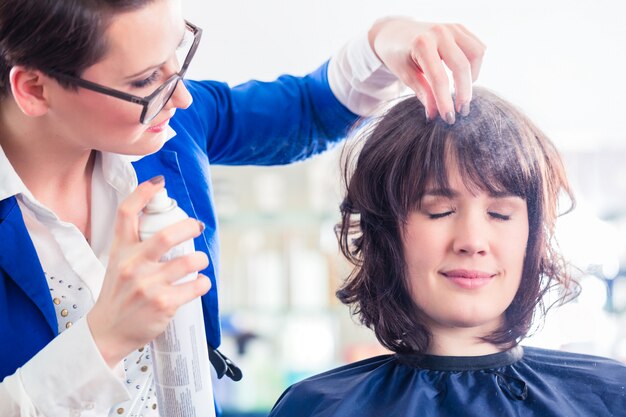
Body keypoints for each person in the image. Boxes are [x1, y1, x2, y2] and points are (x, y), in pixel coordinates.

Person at [0, 0, 486, 415]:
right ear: (35, 89)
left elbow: (310, 108)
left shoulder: (172, 125)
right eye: (147, 79)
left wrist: (386, 39)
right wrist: (103, 339)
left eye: (177, 55)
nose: (183, 95)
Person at [268, 88, 626, 416]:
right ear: (385, 230)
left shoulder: (610, 398)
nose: (472, 241)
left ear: (531, 236)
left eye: (499, 214)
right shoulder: (316, 408)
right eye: (440, 211)